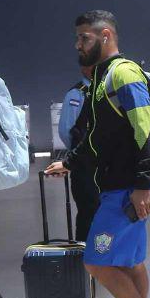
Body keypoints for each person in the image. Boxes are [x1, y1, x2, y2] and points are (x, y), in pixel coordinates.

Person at [45, 10, 150, 298]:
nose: (78, 45)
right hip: (117, 185)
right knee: (130, 263)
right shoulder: (100, 80)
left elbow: (146, 130)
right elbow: (97, 138)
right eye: (77, 38)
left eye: (84, 38)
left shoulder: (123, 73)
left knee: (96, 261)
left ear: (106, 36)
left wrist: (143, 184)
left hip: (129, 188)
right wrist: (69, 162)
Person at [57, 66, 100, 240]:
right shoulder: (77, 94)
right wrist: (80, 155)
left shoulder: (104, 91)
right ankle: (85, 258)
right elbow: (66, 132)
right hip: (84, 169)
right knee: (88, 214)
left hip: (103, 169)